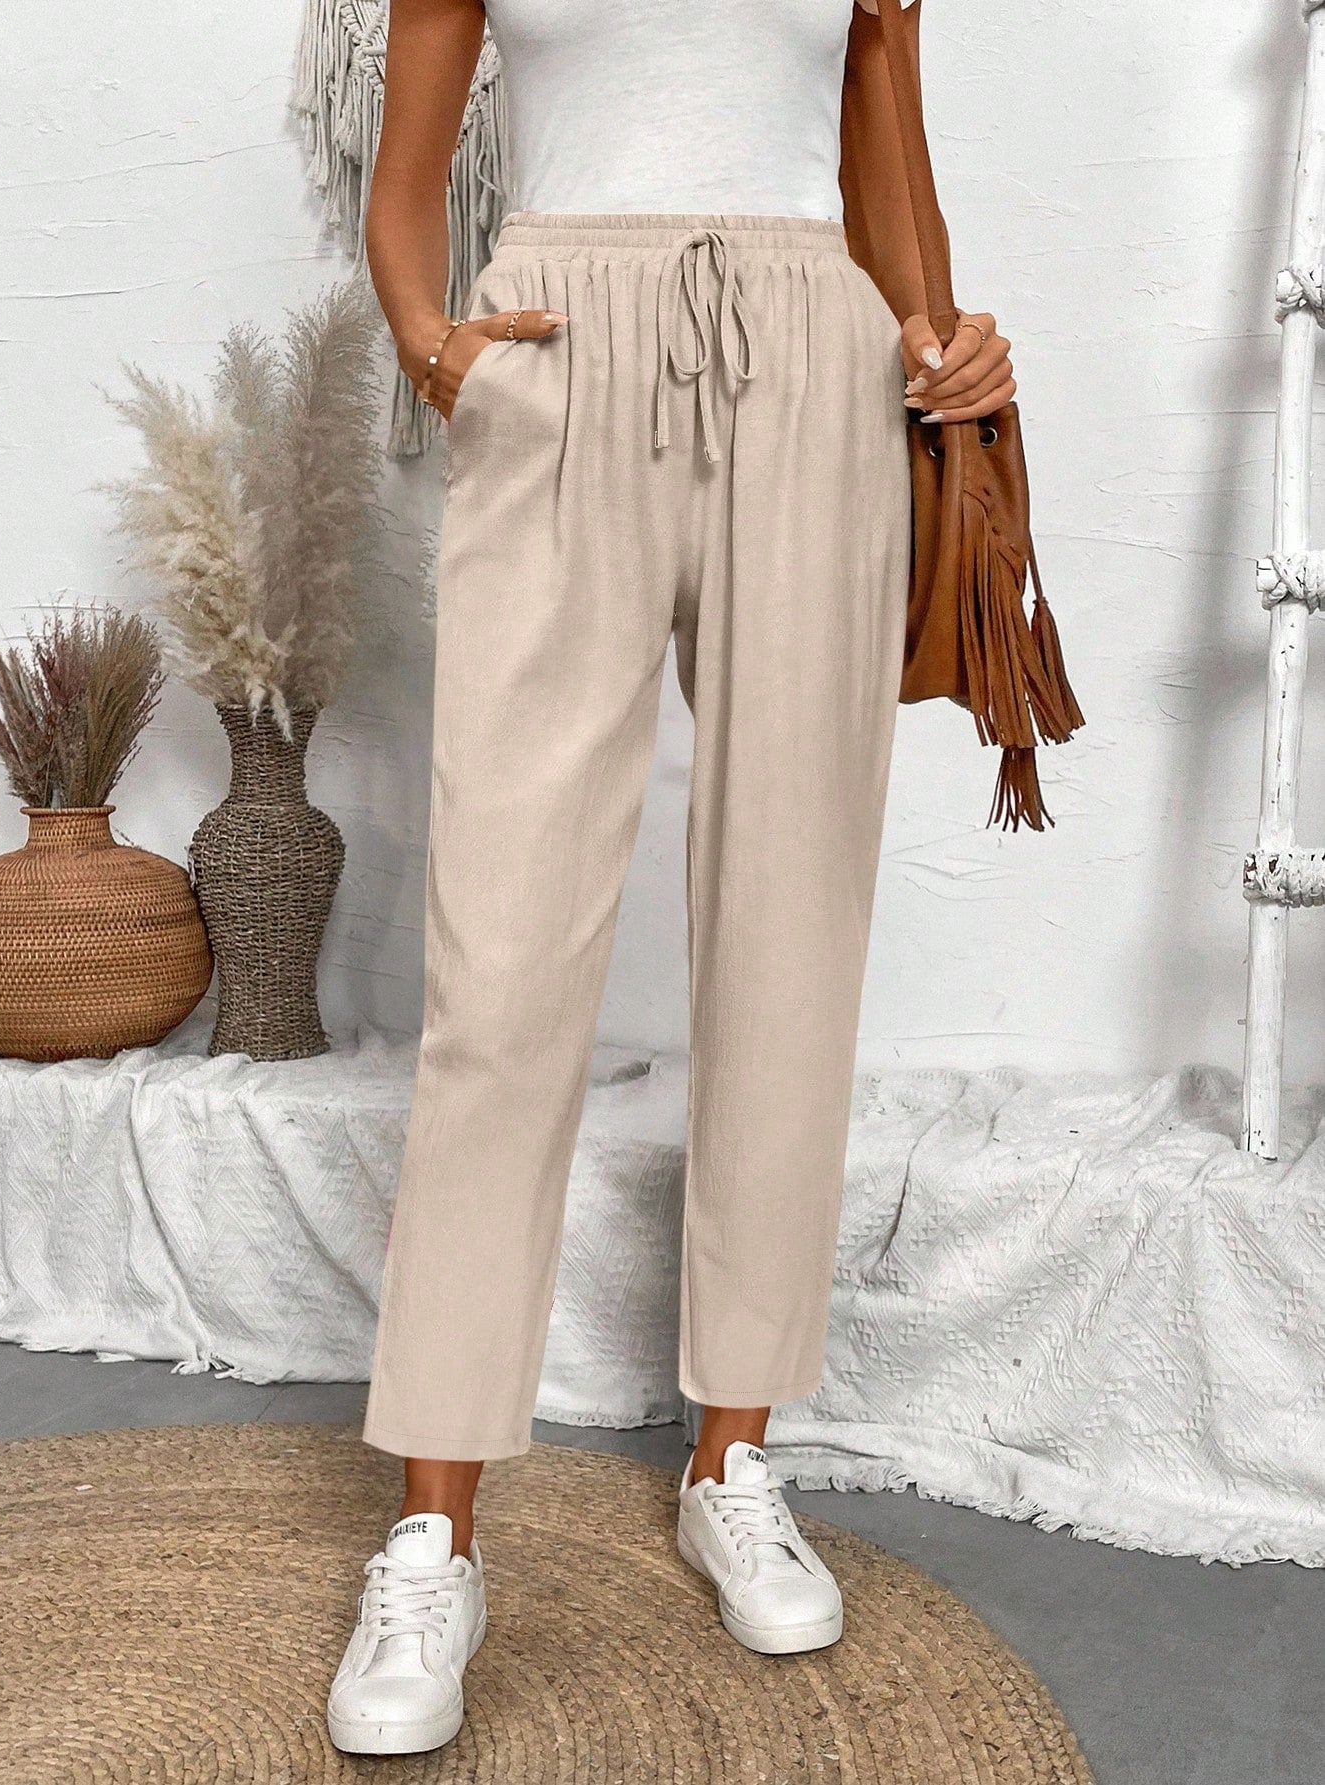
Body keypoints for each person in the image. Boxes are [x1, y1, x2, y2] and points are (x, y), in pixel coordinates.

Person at [327, 0, 1015, 1757]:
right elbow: (405, 181)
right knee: (500, 965)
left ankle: (735, 1459)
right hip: (561, 348)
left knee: (790, 930)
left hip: (816, 365)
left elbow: (886, 151)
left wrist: (939, 337)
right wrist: (438, 346)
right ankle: (436, 1531)